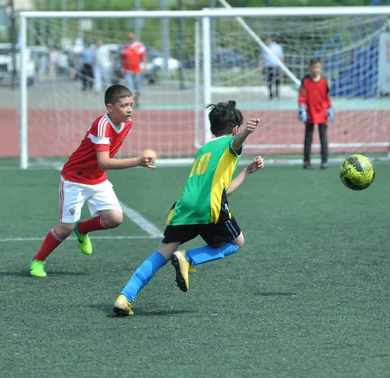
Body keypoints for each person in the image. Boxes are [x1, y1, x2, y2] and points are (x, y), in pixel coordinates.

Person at [113, 100, 265, 316]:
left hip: (184, 207)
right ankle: (189, 258)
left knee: (161, 253)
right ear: (234, 129)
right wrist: (246, 133)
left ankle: (125, 297)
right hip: (208, 209)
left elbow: (222, 190)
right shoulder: (231, 143)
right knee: (237, 243)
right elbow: (236, 142)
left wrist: (247, 172)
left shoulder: (204, 149)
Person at [29, 85, 155, 278]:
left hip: (97, 179)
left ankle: (83, 229)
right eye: (123, 105)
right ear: (110, 107)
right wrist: (137, 161)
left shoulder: (127, 123)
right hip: (75, 178)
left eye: (131, 104)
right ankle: (38, 260)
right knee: (65, 228)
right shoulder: (102, 125)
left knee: (114, 219)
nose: (129, 109)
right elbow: (103, 162)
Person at [298, 58, 333, 170]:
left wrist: (329, 108)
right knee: (308, 137)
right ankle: (306, 161)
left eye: (318, 67)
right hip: (310, 113)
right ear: (310, 68)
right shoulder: (306, 81)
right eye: (313, 67)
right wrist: (302, 109)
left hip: (322, 113)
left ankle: (324, 160)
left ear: (320, 68)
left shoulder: (324, 81)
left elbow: (326, 97)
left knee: (323, 137)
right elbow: (302, 96)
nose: (315, 69)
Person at [120, 33, 147, 107]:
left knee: (138, 88)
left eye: (131, 38)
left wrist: (145, 66)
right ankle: (130, 103)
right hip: (128, 70)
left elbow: (144, 57)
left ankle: (136, 99)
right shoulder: (124, 47)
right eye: (129, 38)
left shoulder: (139, 46)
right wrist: (121, 68)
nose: (130, 39)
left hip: (137, 70)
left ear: (134, 38)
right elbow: (122, 59)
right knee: (129, 86)